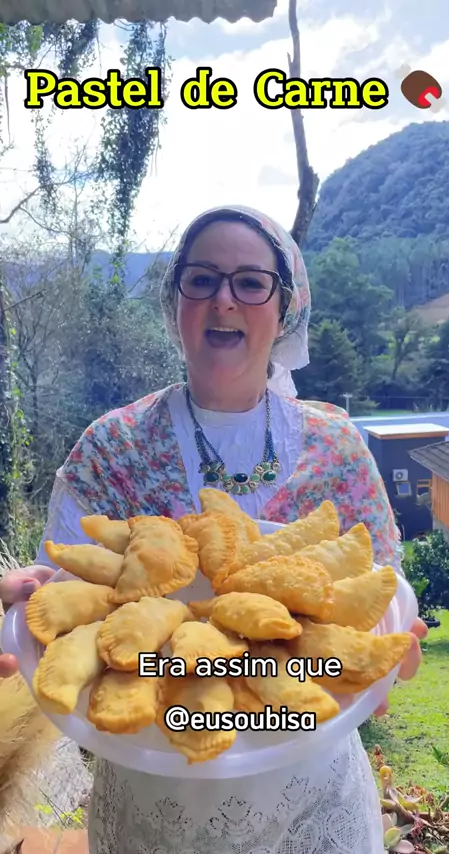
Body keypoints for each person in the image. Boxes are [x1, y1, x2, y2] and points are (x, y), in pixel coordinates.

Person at [0, 205, 427, 854]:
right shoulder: (113, 448)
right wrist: (18, 605)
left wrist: (396, 656)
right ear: (175, 303)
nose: (223, 299)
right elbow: (58, 617)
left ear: (285, 309)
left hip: (313, 801)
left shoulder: (337, 446)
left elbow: (384, 606)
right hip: (151, 800)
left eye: (250, 282)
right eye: (201, 279)